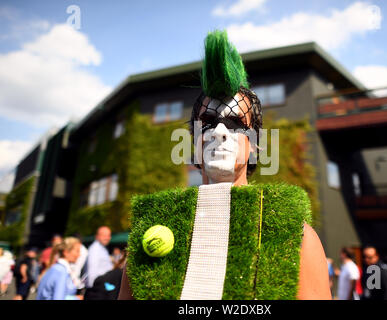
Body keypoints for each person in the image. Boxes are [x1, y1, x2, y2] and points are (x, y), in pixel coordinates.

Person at [118, 30, 331, 300]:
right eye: (207, 122)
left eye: (236, 124)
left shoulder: (296, 235)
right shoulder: (152, 228)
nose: (219, 132)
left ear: (255, 145)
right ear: (194, 143)